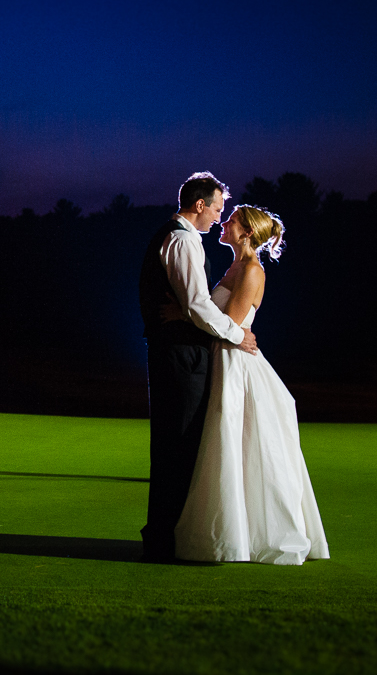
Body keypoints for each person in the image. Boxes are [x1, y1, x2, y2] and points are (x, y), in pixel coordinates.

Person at [171, 205, 329, 564]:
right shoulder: (234, 267)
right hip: (221, 352)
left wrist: (188, 316)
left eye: (231, 221)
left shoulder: (252, 270)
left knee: (234, 437)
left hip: (234, 360)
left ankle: (247, 535)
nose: (223, 224)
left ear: (244, 233)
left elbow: (231, 324)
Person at [136, 172, 257, 562]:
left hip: (182, 350)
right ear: (199, 205)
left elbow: (192, 306)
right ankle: (165, 539)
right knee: (179, 445)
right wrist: (237, 336)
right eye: (217, 209)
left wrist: (192, 316)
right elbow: (197, 305)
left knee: (180, 444)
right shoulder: (183, 240)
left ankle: (168, 535)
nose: (219, 218)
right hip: (181, 355)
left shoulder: (179, 238)